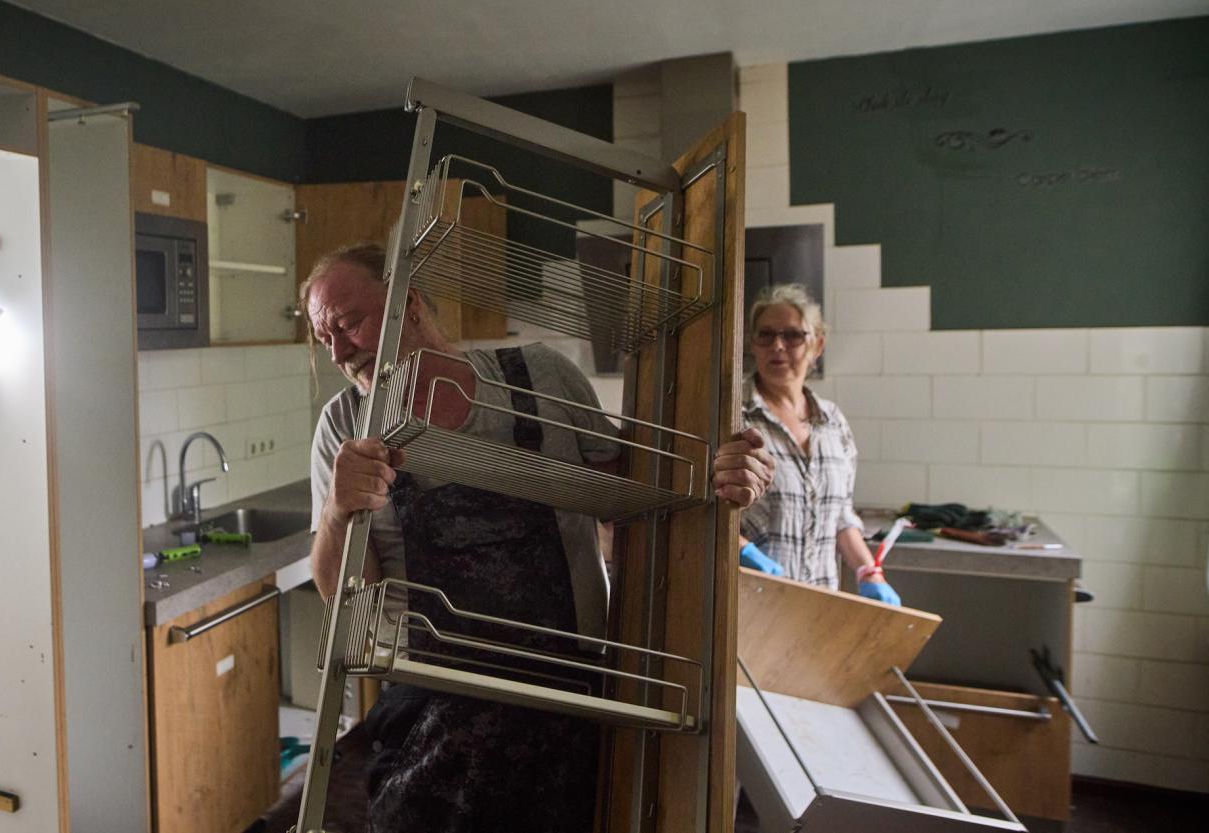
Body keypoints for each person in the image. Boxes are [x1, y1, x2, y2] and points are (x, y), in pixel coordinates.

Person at [303, 243, 774, 832]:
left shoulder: (539, 377)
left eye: (349, 324)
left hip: (567, 701)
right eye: (326, 339)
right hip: (432, 716)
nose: (341, 351)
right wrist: (339, 509)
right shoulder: (344, 427)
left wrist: (722, 472)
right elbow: (345, 594)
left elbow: (644, 499)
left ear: (411, 303)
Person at [736, 283, 901, 606]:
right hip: (752, 602)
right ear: (753, 345)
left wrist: (870, 573)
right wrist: (743, 551)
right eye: (766, 335)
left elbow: (841, 515)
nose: (778, 346)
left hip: (819, 603)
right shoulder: (733, 417)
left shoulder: (833, 422)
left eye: (793, 335)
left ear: (817, 345)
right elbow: (702, 513)